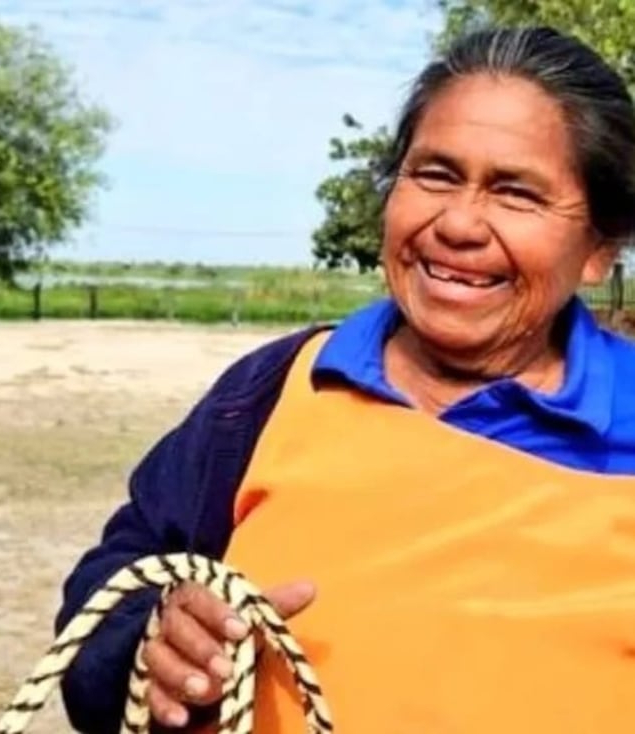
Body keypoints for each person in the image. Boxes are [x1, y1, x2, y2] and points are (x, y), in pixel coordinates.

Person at [55, 25, 635, 734]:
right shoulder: (277, 390)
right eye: (436, 174)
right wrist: (150, 646)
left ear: (600, 248)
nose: (459, 223)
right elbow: (114, 582)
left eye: (516, 193)